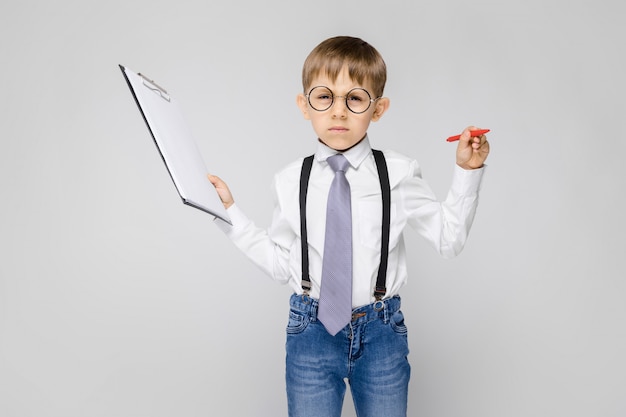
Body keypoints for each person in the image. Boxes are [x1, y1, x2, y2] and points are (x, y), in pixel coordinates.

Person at [208, 36, 489, 417]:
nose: (338, 111)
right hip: (310, 331)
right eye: (324, 97)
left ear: (378, 109)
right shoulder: (290, 180)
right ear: (304, 105)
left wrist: (467, 173)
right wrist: (230, 214)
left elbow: (448, 239)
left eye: (354, 99)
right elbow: (280, 264)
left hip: (381, 333)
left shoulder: (399, 173)